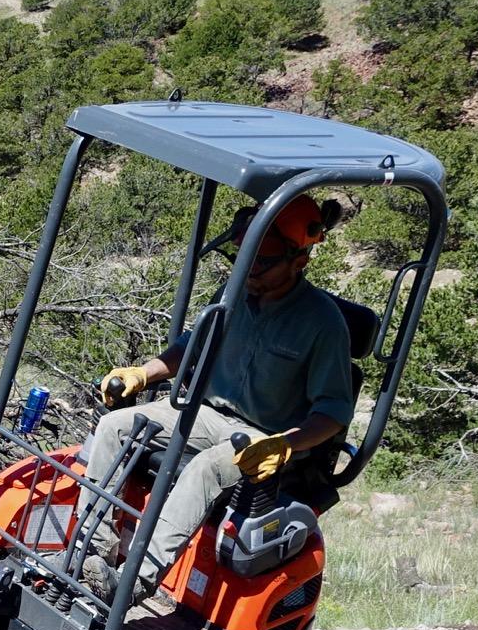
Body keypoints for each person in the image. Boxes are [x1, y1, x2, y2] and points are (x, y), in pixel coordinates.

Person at [80, 193, 352, 605]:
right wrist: (142, 373)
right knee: (114, 426)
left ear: (300, 261)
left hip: (266, 440)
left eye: (262, 262)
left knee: (206, 469)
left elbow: (332, 413)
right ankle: (92, 553)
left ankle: (134, 581)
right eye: (246, 258)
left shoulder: (322, 323)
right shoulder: (235, 292)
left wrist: (284, 444)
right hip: (207, 414)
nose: (250, 271)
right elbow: (193, 345)